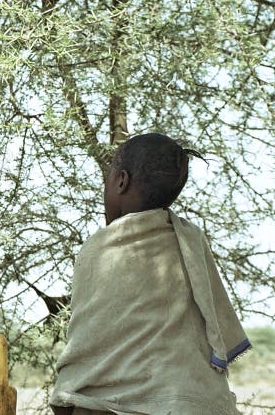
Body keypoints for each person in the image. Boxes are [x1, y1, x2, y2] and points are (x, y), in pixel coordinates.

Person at [51, 133, 251, 415]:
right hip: (197, 403)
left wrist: (65, 395)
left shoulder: (100, 249)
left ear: (121, 181)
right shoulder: (190, 240)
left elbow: (85, 353)